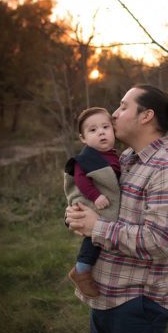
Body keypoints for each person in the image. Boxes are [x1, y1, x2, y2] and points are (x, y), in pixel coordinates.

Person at [64, 84, 168, 333]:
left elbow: (158, 241)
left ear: (146, 116)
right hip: (104, 298)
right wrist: (76, 214)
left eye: (123, 106)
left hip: (137, 306)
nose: (114, 114)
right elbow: (101, 207)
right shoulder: (126, 159)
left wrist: (96, 227)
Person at [63, 107, 121, 299]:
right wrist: (96, 196)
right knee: (93, 238)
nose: (101, 132)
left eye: (105, 127)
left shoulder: (114, 155)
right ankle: (81, 269)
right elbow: (80, 180)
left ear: (113, 130)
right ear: (83, 138)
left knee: (98, 235)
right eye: (93, 130)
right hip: (93, 201)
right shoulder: (87, 158)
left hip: (105, 202)